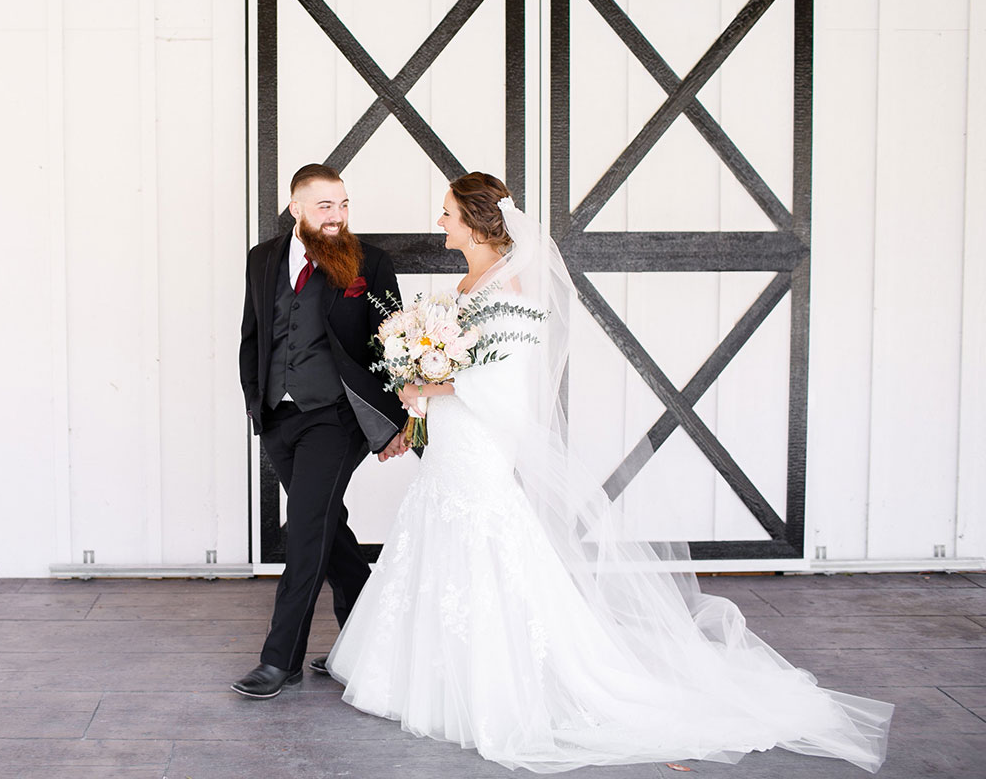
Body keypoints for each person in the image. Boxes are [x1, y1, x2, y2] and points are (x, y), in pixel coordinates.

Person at [325, 172, 893, 772]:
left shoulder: (510, 287)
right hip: (451, 434)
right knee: (438, 520)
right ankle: (426, 671)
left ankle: (496, 678)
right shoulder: (466, 283)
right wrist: (422, 374)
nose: (440, 222)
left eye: (447, 213)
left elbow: (505, 382)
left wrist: (428, 383)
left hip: (478, 436)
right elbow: (462, 360)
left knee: (482, 531)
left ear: (475, 222)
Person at [234, 164, 409, 699]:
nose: (337, 216)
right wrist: (255, 402)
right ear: (297, 209)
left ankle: (279, 661)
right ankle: (366, 642)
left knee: (307, 530)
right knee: (328, 528)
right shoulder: (262, 259)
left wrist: (395, 422)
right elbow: (253, 335)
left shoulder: (370, 262)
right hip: (278, 416)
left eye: (344, 204)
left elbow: (394, 344)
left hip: (336, 416)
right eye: (325, 206)